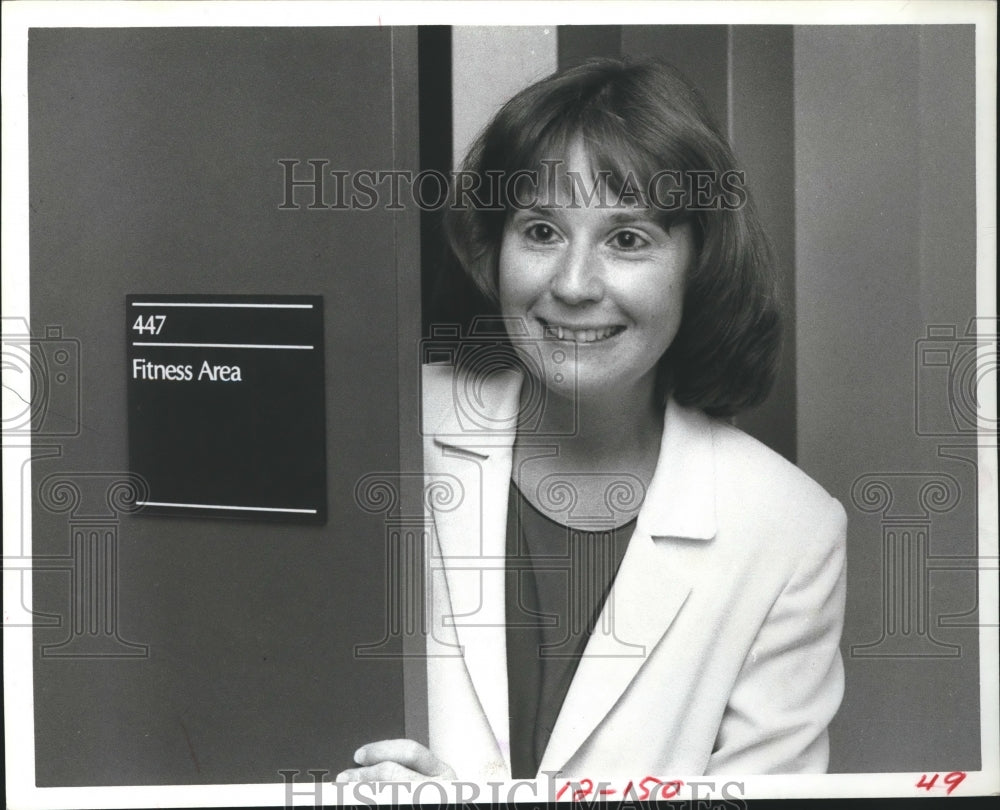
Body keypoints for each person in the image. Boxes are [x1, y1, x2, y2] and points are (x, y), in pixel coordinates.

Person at [337, 57, 846, 783]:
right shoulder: (381, 430)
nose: (573, 285)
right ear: (493, 249)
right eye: (541, 231)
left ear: (699, 264)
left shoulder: (791, 529)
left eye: (628, 239)